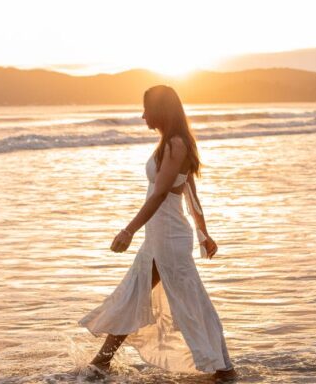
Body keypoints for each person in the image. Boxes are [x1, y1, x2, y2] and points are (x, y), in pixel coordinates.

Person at [77, 85, 238, 382]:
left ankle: (222, 367)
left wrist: (128, 230)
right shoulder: (170, 142)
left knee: (186, 302)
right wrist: (204, 233)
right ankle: (102, 362)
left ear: (160, 110)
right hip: (160, 236)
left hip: (169, 238)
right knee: (136, 295)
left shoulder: (175, 144)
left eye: (146, 109)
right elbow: (189, 190)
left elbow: (161, 194)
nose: (142, 116)